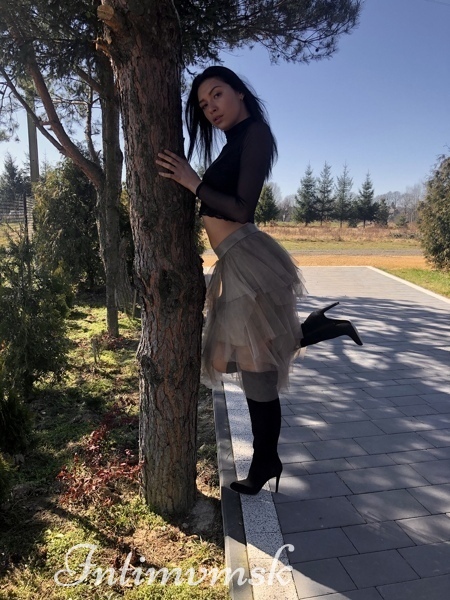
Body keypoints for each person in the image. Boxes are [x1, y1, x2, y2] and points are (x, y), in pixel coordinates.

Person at [156, 66, 362, 496]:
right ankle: (312, 330)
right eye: (203, 104)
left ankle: (266, 460)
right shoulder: (236, 140)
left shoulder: (257, 134)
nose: (211, 108)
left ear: (240, 93)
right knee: (234, 360)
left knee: (255, 368)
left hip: (247, 257)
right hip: (236, 260)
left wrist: (193, 182)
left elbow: (242, 208)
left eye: (217, 95)